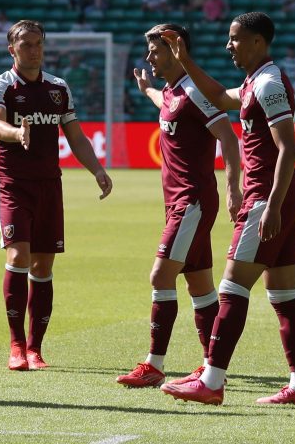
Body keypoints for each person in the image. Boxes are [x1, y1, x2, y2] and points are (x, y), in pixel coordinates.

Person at [159, 12, 295, 405]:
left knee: (231, 287)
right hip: (281, 196)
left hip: (268, 196)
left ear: (259, 42)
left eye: (235, 39)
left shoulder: (269, 84)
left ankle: (212, 381)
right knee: (282, 293)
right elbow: (217, 97)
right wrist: (186, 61)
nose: (229, 45)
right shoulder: (253, 82)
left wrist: (272, 206)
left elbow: (288, 149)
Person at [116, 24, 241, 389]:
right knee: (199, 284)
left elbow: (229, 140)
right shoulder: (172, 90)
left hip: (192, 201)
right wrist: (148, 90)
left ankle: (154, 365)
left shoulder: (196, 91)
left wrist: (233, 188)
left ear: (176, 48)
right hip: (180, 203)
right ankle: (211, 364)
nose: (149, 57)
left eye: (155, 51)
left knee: (160, 276)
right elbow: (164, 101)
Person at [0, 20, 112, 371]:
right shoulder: (0, 86)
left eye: (38, 43)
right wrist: (14, 133)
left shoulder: (58, 87)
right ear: (12, 49)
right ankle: (16, 344)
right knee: (18, 256)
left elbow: (75, 135)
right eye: (26, 44)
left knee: (43, 265)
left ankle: (36, 348)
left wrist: (97, 169)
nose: (34, 49)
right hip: (12, 183)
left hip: (49, 186)